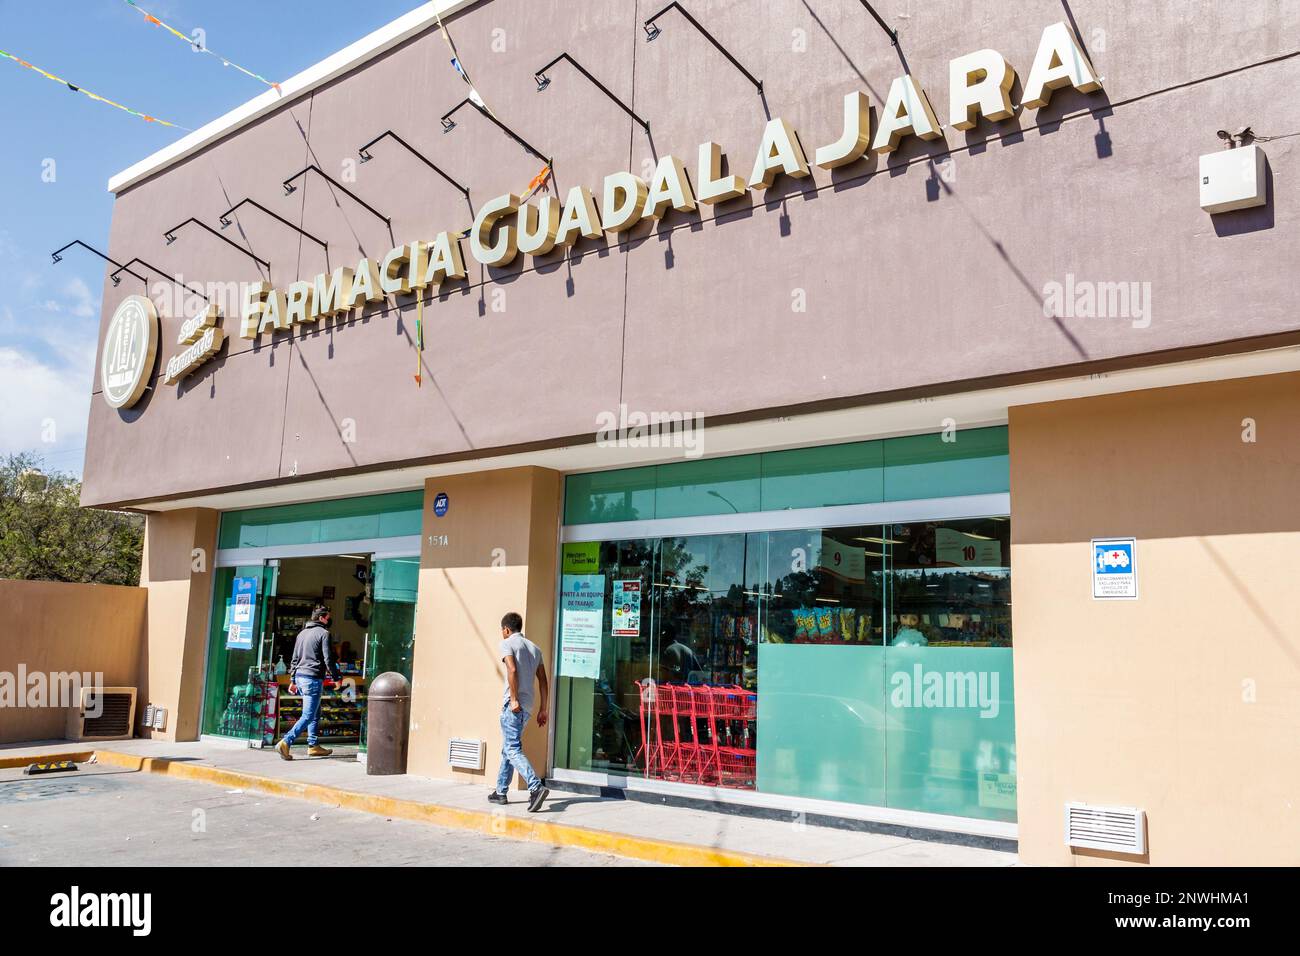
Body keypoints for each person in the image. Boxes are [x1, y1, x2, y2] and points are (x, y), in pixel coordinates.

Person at [489, 611, 550, 811]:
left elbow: (512, 670)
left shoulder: (507, 644)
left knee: (512, 748)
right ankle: (500, 791)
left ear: (506, 630)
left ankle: (535, 787)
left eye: (502, 631)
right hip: (529, 707)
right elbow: (543, 680)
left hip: (514, 706)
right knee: (509, 747)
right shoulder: (535, 648)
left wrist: (513, 699)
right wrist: (543, 709)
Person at [276, 605, 341, 760]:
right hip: (312, 678)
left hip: (300, 677)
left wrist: (292, 679)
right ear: (321, 618)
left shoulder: (302, 634)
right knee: (308, 715)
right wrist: (337, 677)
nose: (329, 619)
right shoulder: (324, 633)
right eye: (327, 617)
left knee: (315, 714)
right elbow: (328, 658)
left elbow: (294, 658)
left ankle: (313, 746)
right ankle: (286, 741)